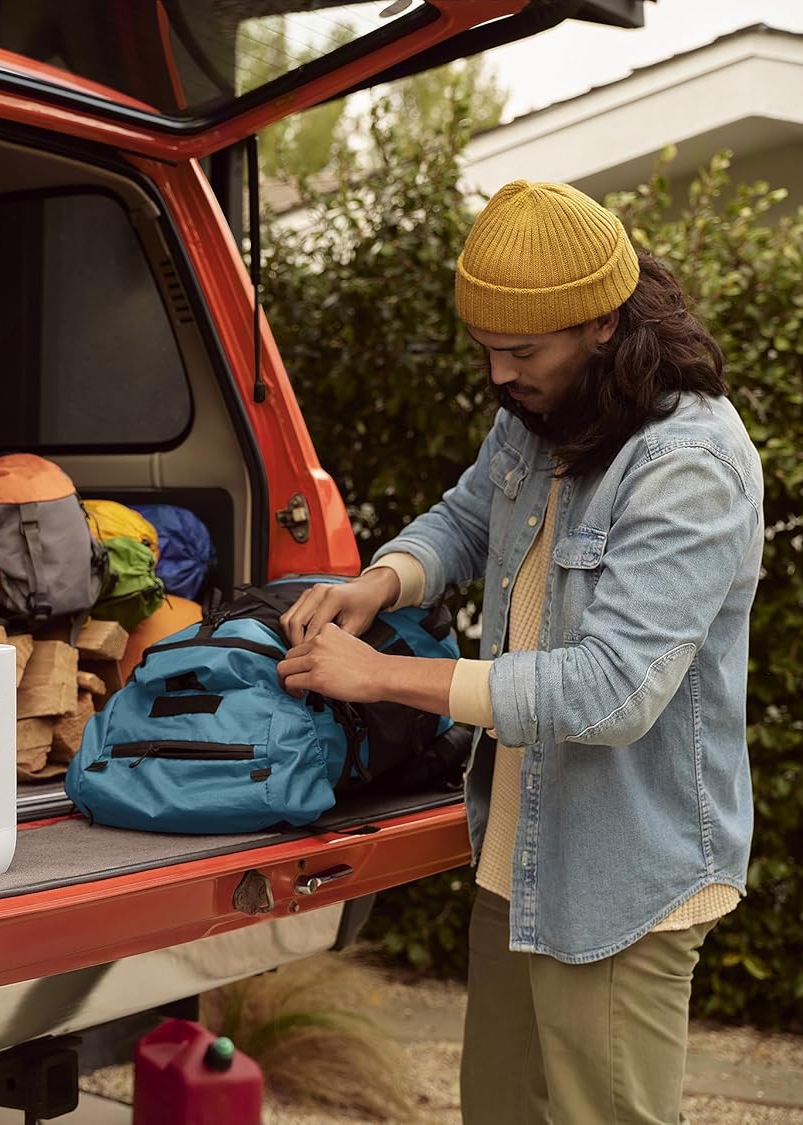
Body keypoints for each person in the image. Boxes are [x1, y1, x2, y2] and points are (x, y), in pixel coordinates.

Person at [276, 180, 761, 1125]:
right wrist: (379, 582)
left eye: (522, 352)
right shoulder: (541, 411)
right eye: (487, 350)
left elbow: (613, 689)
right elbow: (465, 516)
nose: (500, 376)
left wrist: (380, 676)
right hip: (521, 853)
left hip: (627, 880)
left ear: (605, 326)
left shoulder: (688, 465)